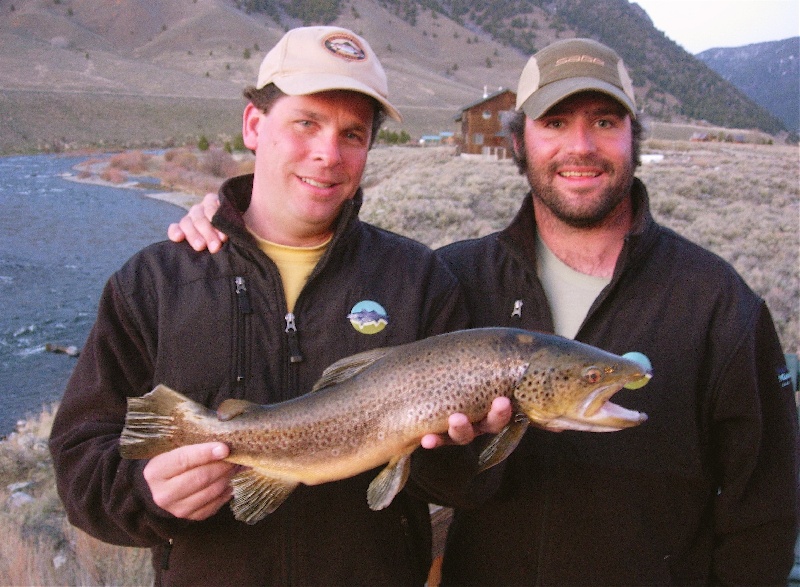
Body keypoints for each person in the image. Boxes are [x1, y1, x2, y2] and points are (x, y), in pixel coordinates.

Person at [172, 37, 799, 585]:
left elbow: (765, 507)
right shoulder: (450, 277)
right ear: (520, 140)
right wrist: (231, 216)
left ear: (635, 133)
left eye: (606, 121)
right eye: (554, 123)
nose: (580, 146)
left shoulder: (716, 301)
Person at [49, 26, 510, 586]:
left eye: (353, 134)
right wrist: (145, 494)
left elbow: (465, 485)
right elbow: (79, 462)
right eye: (306, 122)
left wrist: (457, 446)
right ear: (253, 124)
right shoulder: (154, 283)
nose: (327, 153)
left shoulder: (418, 280)